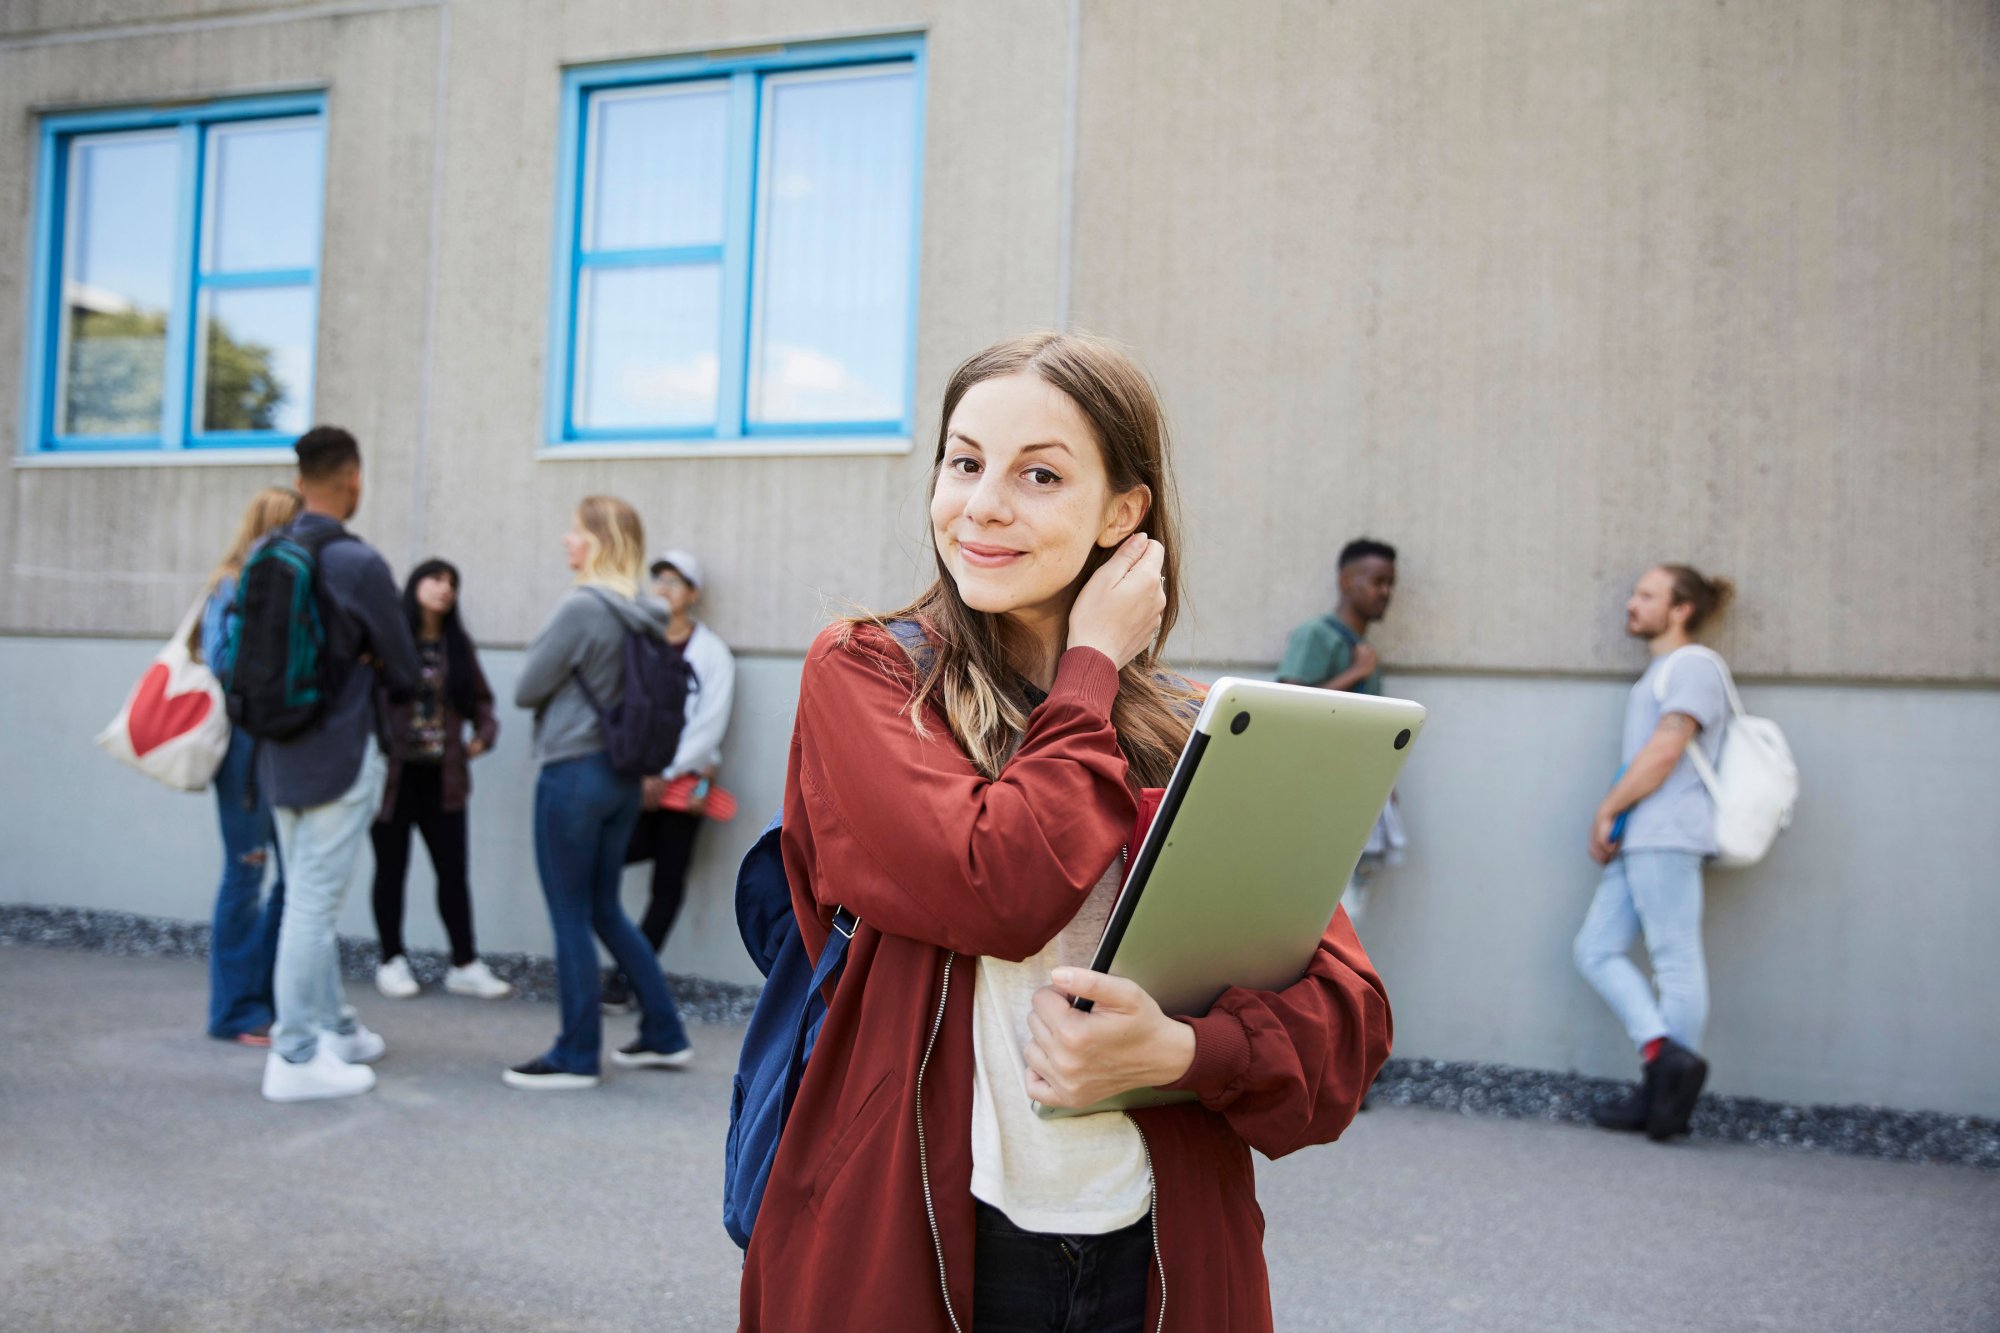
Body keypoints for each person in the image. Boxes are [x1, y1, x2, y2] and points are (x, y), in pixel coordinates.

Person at [739, 333, 1391, 1333]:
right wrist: (1090, 660)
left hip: (1155, 1254)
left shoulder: (1188, 729)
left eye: (1038, 474)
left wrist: (1178, 1050)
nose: (983, 503)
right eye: (964, 462)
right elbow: (994, 888)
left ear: (1122, 512)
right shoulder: (865, 676)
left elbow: (1343, 1030)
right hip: (920, 1244)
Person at [507, 497, 693, 1089]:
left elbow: (526, 687)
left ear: (599, 542)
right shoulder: (646, 612)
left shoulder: (582, 608)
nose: (566, 540)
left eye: (575, 531)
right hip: (620, 777)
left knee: (570, 913)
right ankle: (664, 1032)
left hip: (573, 772)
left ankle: (575, 1053)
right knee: (605, 907)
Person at [259, 426, 421, 1103]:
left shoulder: (270, 549)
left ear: (300, 481)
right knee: (312, 907)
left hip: (276, 753)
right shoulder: (357, 563)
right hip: (340, 752)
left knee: (303, 894)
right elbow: (407, 669)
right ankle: (294, 1055)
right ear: (354, 478)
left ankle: (335, 1025)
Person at [1574, 564, 1737, 1141]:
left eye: (1647, 595)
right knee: (1595, 949)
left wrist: (1605, 808)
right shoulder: (1662, 673)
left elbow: (1668, 747)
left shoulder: (1692, 666)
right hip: (1641, 833)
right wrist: (1617, 815)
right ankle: (1666, 1063)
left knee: (1674, 960)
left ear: (1681, 609)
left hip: (1668, 832)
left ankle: (1668, 1095)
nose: (1632, 603)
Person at [370, 559, 511, 1001]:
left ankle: (464, 963)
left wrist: (483, 737)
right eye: (436, 579)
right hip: (393, 777)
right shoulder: (388, 642)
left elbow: (483, 703)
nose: (444, 588)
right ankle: (391, 959)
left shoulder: (456, 645)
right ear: (414, 585)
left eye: (452, 582)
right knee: (391, 869)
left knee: (452, 872)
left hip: (444, 778)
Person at [603, 548, 736, 1011]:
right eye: (657, 577)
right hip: (633, 778)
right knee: (608, 858)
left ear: (692, 594)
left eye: (675, 580)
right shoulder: (635, 643)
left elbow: (709, 723)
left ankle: (626, 979)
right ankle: (623, 966)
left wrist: (665, 771)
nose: (663, 586)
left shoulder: (711, 651)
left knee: (668, 881)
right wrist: (640, 770)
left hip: (685, 781)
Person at [196, 486, 301, 1047]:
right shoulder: (232, 583)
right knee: (247, 870)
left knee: (292, 878)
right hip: (244, 746)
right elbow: (219, 662)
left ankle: (272, 997)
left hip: (285, 744)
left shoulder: (286, 583)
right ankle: (237, 1010)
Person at [1277, 537, 1405, 920]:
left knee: (1351, 909)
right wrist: (1355, 674)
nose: (1386, 592)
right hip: (1314, 797)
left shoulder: (1363, 647)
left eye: (1390, 584)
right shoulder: (1315, 635)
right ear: (1347, 582)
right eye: (1377, 581)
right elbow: (1287, 705)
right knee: (1321, 912)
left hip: (1358, 794)